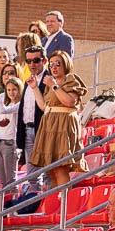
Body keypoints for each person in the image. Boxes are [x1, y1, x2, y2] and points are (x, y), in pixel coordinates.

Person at [28, 51, 87, 187]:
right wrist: (35, 88)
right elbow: (44, 106)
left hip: (63, 126)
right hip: (49, 125)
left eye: (57, 64)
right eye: (51, 64)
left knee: (60, 168)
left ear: (65, 64)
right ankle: (56, 203)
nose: (54, 67)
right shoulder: (50, 83)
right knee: (52, 170)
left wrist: (54, 86)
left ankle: (65, 202)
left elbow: (70, 101)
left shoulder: (70, 79)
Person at [14, 44, 49, 193]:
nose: (32, 64)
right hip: (28, 130)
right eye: (28, 61)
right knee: (32, 174)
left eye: (36, 60)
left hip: (44, 130)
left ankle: (49, 204)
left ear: (44, 61)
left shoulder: (49, 80)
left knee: (48, 170)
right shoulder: (28, 81)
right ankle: (34, 203)